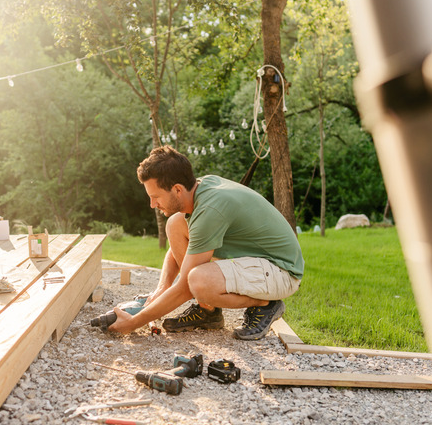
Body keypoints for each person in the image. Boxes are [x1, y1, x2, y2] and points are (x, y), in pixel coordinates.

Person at [109, 145, 304, 340]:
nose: (152, 204)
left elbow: (185, 288)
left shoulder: (210, 209)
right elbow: (185, 247)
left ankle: (266, 304)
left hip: (282, 271)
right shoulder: (199, 190)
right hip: (260, 263)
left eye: (155, 197)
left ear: (177, 189)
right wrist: (161, 289)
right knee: (175, 224)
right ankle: (208, 312)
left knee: (198, 281)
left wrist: (134, 322)